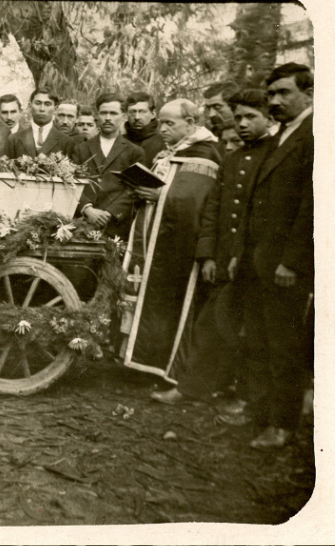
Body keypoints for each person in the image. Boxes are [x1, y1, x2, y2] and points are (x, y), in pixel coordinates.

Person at [151, 89, 273, 408]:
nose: (243, 124)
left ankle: (250, 400)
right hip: (226, 259)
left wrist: (246, 256)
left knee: (259, 331)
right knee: (212, 325)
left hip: (262, 260)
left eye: (251, 117)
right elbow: (215, 210)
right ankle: (193, 389)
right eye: (240, 117)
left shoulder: (274, 157)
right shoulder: (233, 159)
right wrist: (208, 255)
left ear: (269, 119)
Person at [236, 63, 313, 449]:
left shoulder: (316, 135)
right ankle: (261, 415)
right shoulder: (282, 135)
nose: (275, 101)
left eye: (284, 92)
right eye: (272, 95)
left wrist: (293, 262)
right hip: (259, 260)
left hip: (285, 265)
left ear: (309, 93)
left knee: (284, 345)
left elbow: (311, 207)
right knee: (260, 341)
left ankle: (283, 425)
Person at [123, 98, 221, 378]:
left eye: (170, 123)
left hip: (180, 245)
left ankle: (164, 366)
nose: (162, 129)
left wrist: (159, 195)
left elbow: (194, 202)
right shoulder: (168, 152)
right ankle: (142, 360)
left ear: (190, 124)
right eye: (162, 123)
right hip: (154, 238)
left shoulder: (205, 153)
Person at [69, 93, 144, 238]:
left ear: (124, 116)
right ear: (97, 116)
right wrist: (87, 209)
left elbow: (134, 189)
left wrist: (110, 213)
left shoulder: (135, 151)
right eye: (104, 113)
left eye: (113, 113)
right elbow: (71, 182)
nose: (108, 118)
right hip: (82, 222)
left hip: (117, 225)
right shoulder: (81, 149)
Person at [9, 86, 76, 158]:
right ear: (30, 106)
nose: (42, 109)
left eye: (47, 104)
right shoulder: (14, 139)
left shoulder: (67, 141)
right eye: (38, 103)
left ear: (56, 109)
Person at [124, 92, 166, 165]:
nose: (137, 117)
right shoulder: (118, 141)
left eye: (142, 111)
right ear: (126, 114)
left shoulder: (164, 142)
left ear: (153, 114)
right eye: (132, 112)